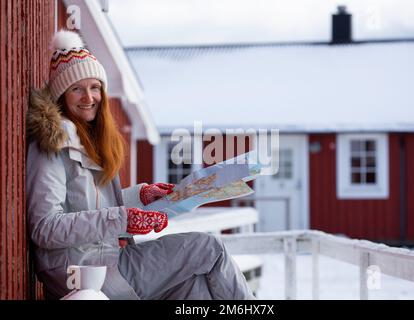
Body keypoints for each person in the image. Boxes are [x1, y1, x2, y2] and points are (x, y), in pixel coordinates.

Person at [26, 30, 255, 300]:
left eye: (95, 87)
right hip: (83, 270)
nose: (89, 97)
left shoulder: (88, 139)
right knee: (210, 248)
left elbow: (90, 207)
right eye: (77, 88)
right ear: (63, 95)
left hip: (106, 259)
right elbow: (44, 227)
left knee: (195, 290)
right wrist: (123, 218)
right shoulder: (52, 145)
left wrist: (141, 197)